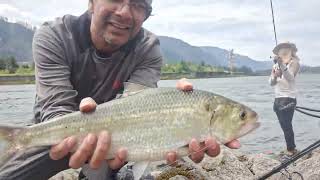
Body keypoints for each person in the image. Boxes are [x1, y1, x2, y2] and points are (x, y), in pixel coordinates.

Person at [0, 0, 240, 179]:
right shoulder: (54, 35)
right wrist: (76, 137)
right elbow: (54, 108)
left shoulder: (148, 48)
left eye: (138, 4)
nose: (125, 12)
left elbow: (141, 104)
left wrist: (178, 114)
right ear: (92, 3)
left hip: (117, 141)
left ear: (146, 14)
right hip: (57, 134)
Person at [269, 42, 301, 158]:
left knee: (287, 125)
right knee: (283, 125)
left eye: (286, 49)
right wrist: (275, 76)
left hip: (289, 98)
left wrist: (282, 65)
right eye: (281, 49)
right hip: (277, 98)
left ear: (291, 50)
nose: (284, 51)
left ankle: (291, 150)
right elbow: (271, 83)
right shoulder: (275, 65)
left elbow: (290, 78)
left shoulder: (295, 63)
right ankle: (290, 147)